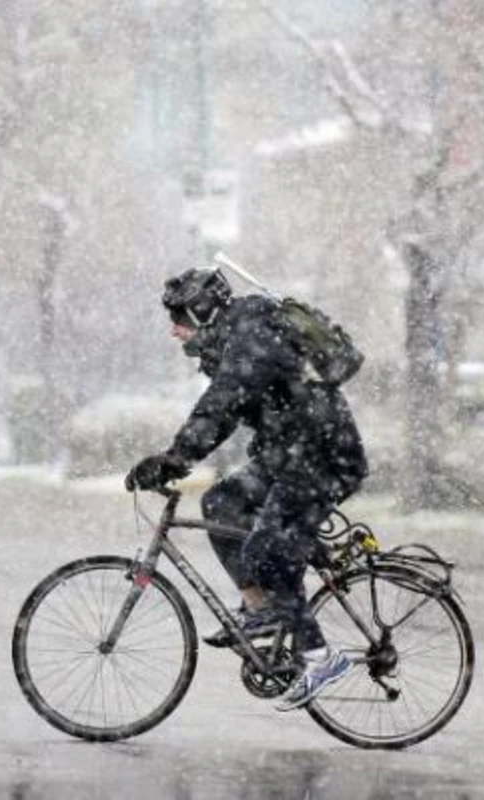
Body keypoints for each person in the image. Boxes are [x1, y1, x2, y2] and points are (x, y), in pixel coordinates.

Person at [124, 266, 368, 711]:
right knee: (222, 501)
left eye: (179, 318)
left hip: (322, 459)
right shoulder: (234, 340)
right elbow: (231, 408)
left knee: (266, 550)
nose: (174, 331)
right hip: (288, 454)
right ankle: (261, 609)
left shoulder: (252, 335)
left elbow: (221, 405)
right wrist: (180, 456)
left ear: (203, 312)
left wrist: (176, 458)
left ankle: (319, 657)